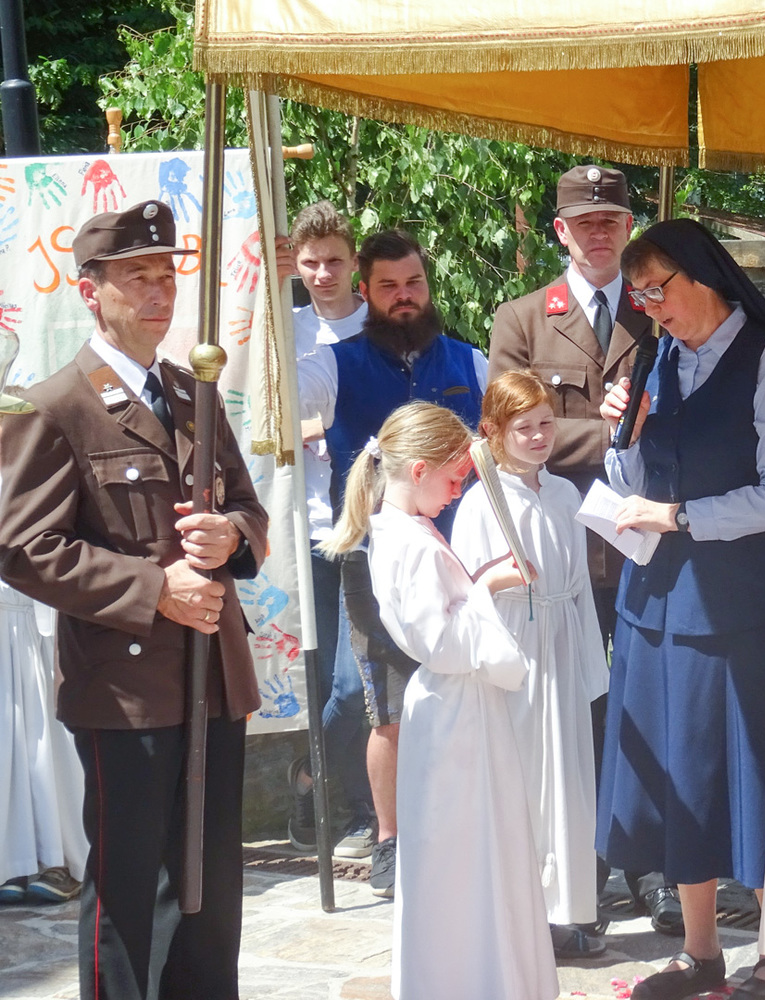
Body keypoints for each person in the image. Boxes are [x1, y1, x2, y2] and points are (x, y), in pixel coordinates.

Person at [0, 200, 268, 999]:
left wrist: (230, 535)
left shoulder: (193, 392)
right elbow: (23, 546)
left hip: (214, 676)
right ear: (91, 292)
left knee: (211, 888)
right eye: (136, 277)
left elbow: (247, 508)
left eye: (167, 275)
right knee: (129, 895)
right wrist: (155, 590)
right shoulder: (55, 406)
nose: (159, 292)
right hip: (125, 688)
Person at [595, 217, 765, 1000]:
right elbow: (631, 484)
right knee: (678, 778)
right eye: (638, 297)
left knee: (751, 777)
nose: (650, 309)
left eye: (657, 290)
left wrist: (683, 517)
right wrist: (624, 433)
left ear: (704, 276)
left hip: (735, 604)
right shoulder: (657, 359)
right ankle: (701, 952)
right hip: (655, 601)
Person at [486, 165, 673, 932]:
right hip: (562, 556)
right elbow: (506, 428)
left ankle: (653, 864)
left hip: (645, 542)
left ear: (630, 228)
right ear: (560, 232)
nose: (600, 234)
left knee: (649, 704)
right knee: (574, 711)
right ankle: (583, 871)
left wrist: (648, 418)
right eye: (585, 222)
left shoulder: (660, 309)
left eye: (612, 221)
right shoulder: (524, 320)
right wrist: (610, 430)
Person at [318, 401, 556, 1000]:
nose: (456, 493)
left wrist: (480, 585)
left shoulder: (406, 530)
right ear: (419, 470)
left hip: (457, 705)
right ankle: (472, 980)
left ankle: (487, 976)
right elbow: (440, 643)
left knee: (476, 846)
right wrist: (488, 587)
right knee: (463, 853)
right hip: (454, 708)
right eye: (453, 479)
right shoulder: (411, 542)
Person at [299, 228, 488, 897]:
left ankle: (455, 826)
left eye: (414, 283)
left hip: (455, 558)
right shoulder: (333, 365)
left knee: (457, 692)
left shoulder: (470, 361)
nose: (404, 297)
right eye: (389, 287)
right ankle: (385, 834)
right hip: (371, 563)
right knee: (377, 703)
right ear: (366, 292)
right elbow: (278, 401)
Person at [451, 370, 610, 959]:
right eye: (525, 428)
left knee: (567, 778)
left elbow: (581, 586)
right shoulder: (480, 503)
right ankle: (518, 915)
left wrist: (590, 665)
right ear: (493, 431)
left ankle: (565, 912)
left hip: (561, 641)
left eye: (546, 424)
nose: (540, 436)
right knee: (522, 778)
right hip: (515, 646)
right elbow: (465, 590)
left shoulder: (565, 495)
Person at [284, 200, 376, 860]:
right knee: (322, 680)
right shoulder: (283, 329)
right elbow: (260, 409)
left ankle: (310, 779)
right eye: (311, 263)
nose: (322, 274)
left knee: (355, 683)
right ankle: (353, 806)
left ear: (354, 262)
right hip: (308, 524)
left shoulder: (380, 327)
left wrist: (332, 426)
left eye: (334, 261)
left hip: (367, 527)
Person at [0, 539, 87, 905]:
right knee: (7, 739)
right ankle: (11, 861)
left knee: (47, 738)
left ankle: (59, 857)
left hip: (42, 604)